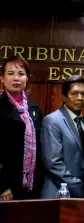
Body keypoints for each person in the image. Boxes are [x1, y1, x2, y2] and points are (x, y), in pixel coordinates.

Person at [40, 75, 84, 198]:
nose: (80, 98)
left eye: (83, 94)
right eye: (74, 93)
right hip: (57, 194)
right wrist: (79, 187)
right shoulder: (52, 121)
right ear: (64, 97)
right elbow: (53, 163)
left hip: (83, 196)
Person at [0, 55, 42, 201]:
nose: (16, 78)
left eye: (21, 74)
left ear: (27, 78)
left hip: (31, 185)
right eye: (10, 73)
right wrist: (2, 186)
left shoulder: (34, 108)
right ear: (2, 78)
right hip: (6, 188)